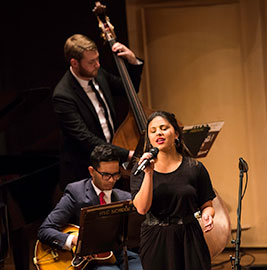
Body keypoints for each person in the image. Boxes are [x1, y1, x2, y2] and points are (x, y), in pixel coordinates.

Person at [52, 34, 144, 190]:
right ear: (74, 63)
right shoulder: (63, 95)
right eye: (91, 62)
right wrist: (127, 154)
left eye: (97, 59)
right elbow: (85, 139)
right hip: (84, 174)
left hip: (111, 167)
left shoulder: (98, 74)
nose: (97, 65)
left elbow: (129, 90)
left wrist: (132, 60)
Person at [130, 111, 216, 270]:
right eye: (153, 130)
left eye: (164, 128)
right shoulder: (141, 168)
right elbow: (142, 208)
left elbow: (207, 205)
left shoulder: (195, 168)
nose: (159, 133)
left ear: (176, 133)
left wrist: (207, 215)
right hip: (156, 238)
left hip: (190, 236)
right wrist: (149, 173)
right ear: (148, 138)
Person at [37, 144, 142, 270]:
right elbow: (45, 230)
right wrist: (74, 240)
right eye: (106, 175)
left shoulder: (125, 197)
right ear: (92, 171)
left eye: (115, 175)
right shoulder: (76, 192)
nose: (111, 180)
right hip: (90, 260)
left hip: (120, 254)